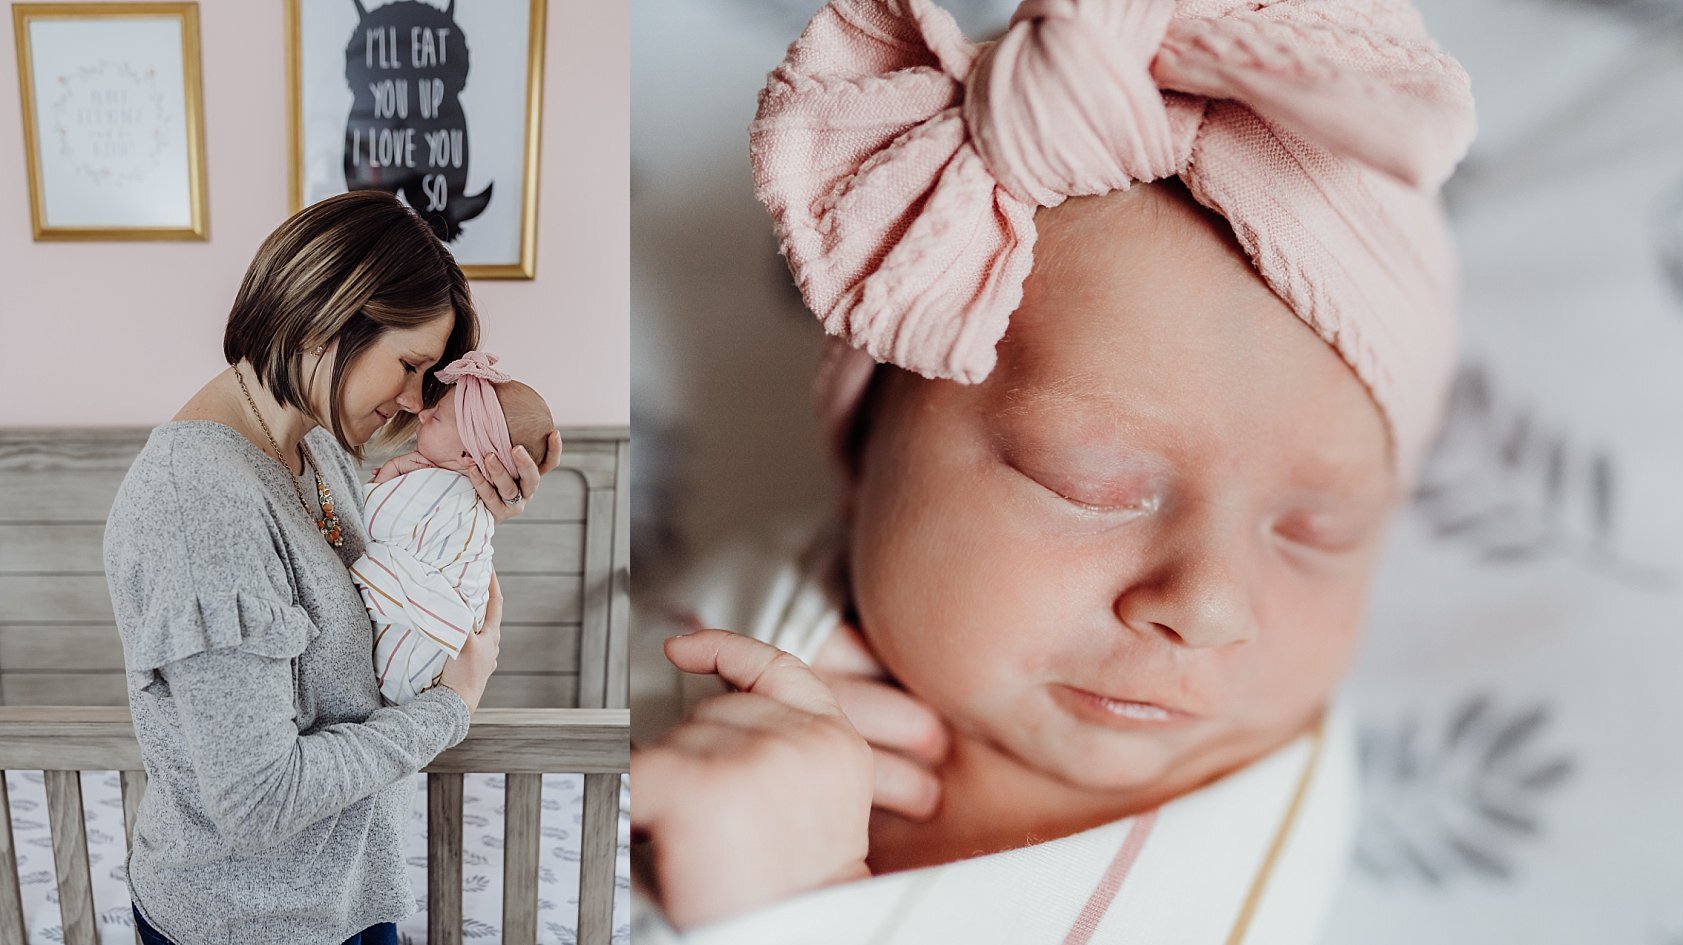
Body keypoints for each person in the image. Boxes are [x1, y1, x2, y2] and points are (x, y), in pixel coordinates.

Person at [629, 0, 1476, 940]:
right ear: (868, 452)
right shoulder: (705, 637)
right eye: (1090, 483)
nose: (1207, 604)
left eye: (1316, 533)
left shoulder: (1236, 858)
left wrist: (781, 907)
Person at [104, 189, 561, 944]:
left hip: (345, 897)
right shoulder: (199, 503)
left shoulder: (316, 450)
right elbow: (260, 801)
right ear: (325, 318)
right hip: (251, 924)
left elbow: (379, 618)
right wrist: (453, 706)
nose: (416, 401)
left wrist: (467, 517)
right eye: (411, 365)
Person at [353, 350, 558, 703]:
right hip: (442, 661)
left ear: (466, 456)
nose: (423, 412)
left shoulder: (440, 486)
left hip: (416, 649)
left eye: (438, 418)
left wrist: (384, 480)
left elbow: (361, 523)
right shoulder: (458, 492)